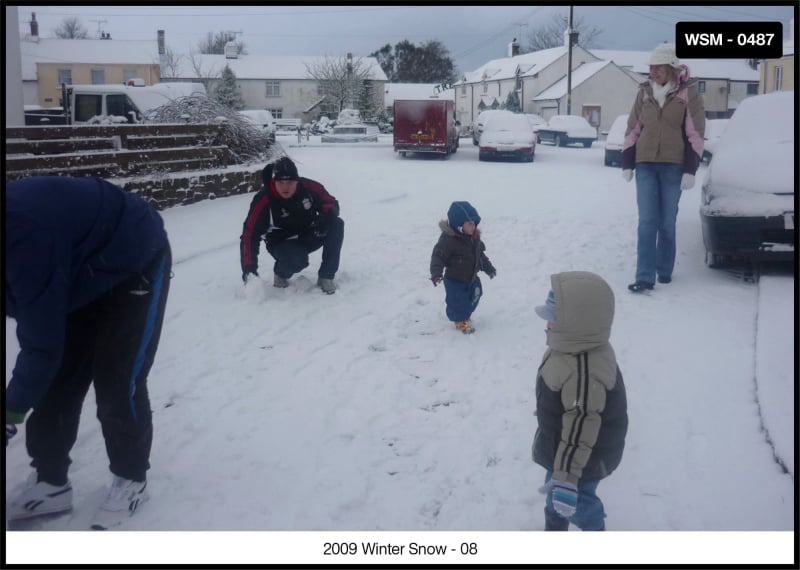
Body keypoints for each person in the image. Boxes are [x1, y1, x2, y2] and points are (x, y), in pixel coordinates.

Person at [5, 176, 172, 530]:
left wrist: (9, 412)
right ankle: (51, 483)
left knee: (117, 379)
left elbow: (40, 341)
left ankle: (132, 479)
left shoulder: (25, 236)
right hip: (77, 267)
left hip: (134, 255)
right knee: (57, 379)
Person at [532, 271, 628, 531]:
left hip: (582, 458)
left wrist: (566, 478)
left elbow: (580, 427)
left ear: (576, 323)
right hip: (566, 451)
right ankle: (555, 526)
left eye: (553, 320)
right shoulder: (571, 347)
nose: (547, 325)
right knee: (557, 495)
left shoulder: (584, 370)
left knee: (577, 501)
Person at [621, 42, 705, 292]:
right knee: (647, 221)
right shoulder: (644, 92)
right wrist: (627, 160)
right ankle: (645, 276)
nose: (653, 72)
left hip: (673, 166)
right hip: (645, 163)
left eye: (658, 68)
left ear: (671, 68)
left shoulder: (688, 93)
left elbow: (696, 133)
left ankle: (664, 269)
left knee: (666, 222)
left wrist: (690, 169)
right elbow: (633, 127)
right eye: (651, 68)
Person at [240, 156, 344, 294]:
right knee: (298, 259)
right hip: (280, 244)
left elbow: (330, 202)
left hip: (307, 234)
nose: (285, 187)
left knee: (336, 224)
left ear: (297, 181)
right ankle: (280, 273)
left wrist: (325, 217)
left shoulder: (310, 188)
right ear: (274, 181)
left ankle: (326, 276)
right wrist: (250, 272)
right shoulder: (264, 200)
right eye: (281, 182)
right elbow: (249, 236)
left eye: (290, 182)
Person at [429, 201, 496, 334]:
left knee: (477, 293)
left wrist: (488, 268)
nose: (473, 227)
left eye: (474, 223)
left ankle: (465, 313)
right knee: (457, 302)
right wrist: (436, 273)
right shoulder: (448, 240)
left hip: (471, 277)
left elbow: (480, 255)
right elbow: (438, 256)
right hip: (455, 280)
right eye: (469, 224)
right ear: (459, 226)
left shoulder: (474, 238)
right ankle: (460, 320)